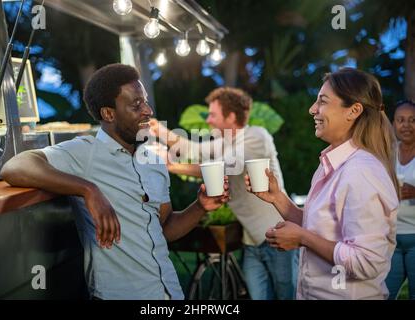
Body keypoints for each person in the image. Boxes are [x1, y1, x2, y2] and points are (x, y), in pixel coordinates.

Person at [1, 63, 229, 300]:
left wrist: (200, 206)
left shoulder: (154, 161)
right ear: (108, 114)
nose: (148, 111)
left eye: (146, 101)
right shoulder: (85, 153)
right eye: (136, 104)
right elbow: (15, 166)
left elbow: (164, 229)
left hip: (168, 291)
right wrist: (88, 190)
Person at [245, 67, 400, 299]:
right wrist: (278, 198)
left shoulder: (361, 172)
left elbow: (367, 262)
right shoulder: (331, 164)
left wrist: (302, 238)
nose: (312, 109)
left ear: (354, 110)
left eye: (323, 101)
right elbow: (319, 228)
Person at [150, 87, 298, 300]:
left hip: (279, 234)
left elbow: (222, 167)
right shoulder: (225, 143)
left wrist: (173, 167)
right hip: (252, 241)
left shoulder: (257, 136)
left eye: (213, 115)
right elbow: (191, 148)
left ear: (230, 117)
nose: (208, 120)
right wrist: (159, 130)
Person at [386, 100, 415, 299]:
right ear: (393, 123)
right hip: (391, 240)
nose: (406, 125)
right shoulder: (387, 153)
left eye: (413, 120)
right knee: (384, 294)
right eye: (401, 120)